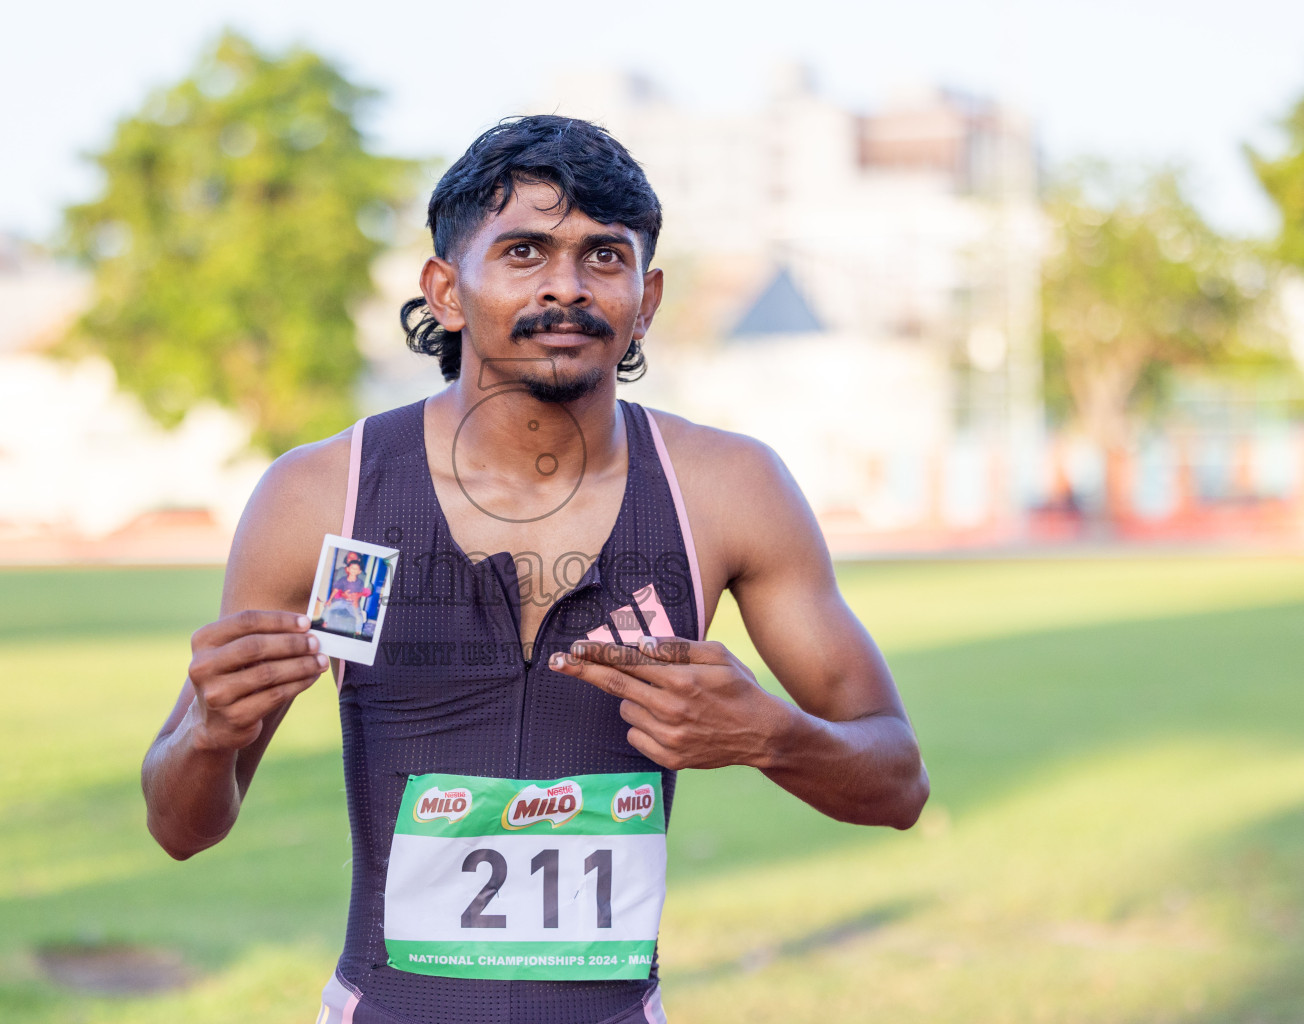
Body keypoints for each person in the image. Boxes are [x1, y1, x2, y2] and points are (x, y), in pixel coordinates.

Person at [142, 114, 929, 1024]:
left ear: (649, 293)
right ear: (445, 288)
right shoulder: (326, 496)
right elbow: (181, 826)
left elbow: (898, 783)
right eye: (523, 251)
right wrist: (209, 728)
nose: (568, 286)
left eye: (605, 256)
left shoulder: (725, 491)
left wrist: (769, 736)